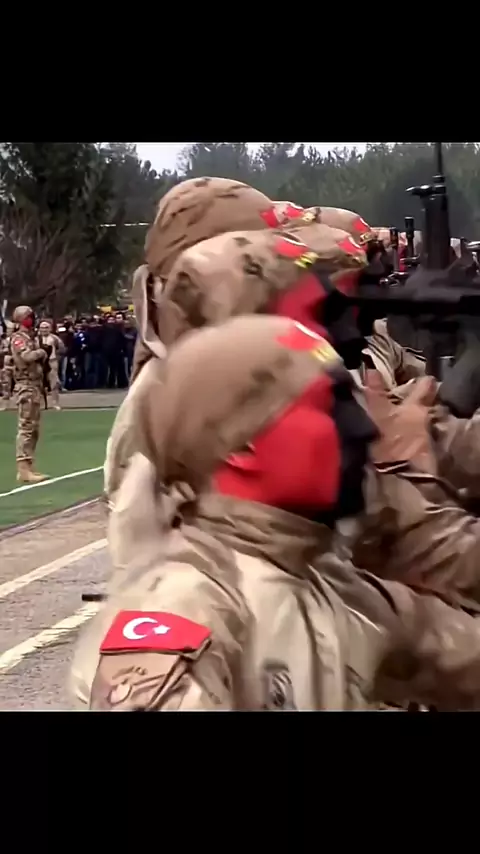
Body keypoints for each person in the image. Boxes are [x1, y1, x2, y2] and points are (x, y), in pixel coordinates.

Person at [71, 316, 480, 711]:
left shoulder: (327, 584)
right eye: (329, 407)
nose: (364, 429)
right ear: (241, 446)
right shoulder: (181, 619)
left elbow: (457, 649)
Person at [10, 306, 48, 483]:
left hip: (35, 385)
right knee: (26, 427)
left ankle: (29, 464)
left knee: (34, 429)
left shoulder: (31, 337)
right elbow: (27, 357)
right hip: (25, 385)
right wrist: (41, 352)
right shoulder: (18, 338)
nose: (31, 320)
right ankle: (23, 468)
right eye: (28, 317)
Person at [37, 320, 65, 410]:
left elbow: (62, 349)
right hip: (39, 363)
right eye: (42, 328)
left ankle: (55, 403)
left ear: (50, 329)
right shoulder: (36, 339)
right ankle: (42, 403)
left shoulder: (55, 338)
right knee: (39, 384)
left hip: (52, 362)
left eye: (46, 327)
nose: (44, 329)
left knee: (54, 383)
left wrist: (56, 357)